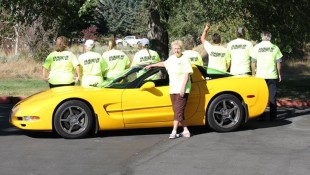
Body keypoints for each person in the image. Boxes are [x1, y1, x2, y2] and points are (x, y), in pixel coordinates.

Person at [145, 40, 193, 139]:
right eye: (175, 48)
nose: (176, 50)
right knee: (177, 111)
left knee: (178, 111)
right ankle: (186, 130)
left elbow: (187, 74)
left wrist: (183, 88)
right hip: (173, 89)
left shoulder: (185, 59)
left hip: (182, 89)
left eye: (178, 48)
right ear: (172, 49)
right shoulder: (171, 59)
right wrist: (152, 65)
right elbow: (164, 63)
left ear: (181, 49)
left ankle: (174, 131)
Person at [251, 31, 283, 121]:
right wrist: (279, 74)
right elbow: (279, 62)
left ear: (262, 37)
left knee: (261, 96)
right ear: (270, 37)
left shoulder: (256, 47)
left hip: (260, 76)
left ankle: (261, 115)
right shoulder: (275, 47)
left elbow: (253, 62)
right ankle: (273, 116)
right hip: (272, 75)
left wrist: (253, 74)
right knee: (272, 96)